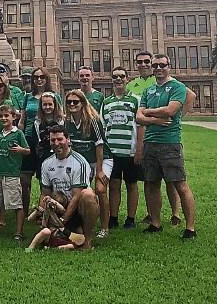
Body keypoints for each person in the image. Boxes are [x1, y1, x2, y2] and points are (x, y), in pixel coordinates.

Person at [136, 53, 197, 239]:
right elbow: (138, 118)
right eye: (155, 66)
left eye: (162, 65)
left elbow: (170, 110)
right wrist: (155, 119)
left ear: (169, 66)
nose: (158, 69)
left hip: (170, 143)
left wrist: (148, 113)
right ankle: (155, 223)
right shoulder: (148, 90)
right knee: (151, 184)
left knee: (180, 184)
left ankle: (190, 228)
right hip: (150, 143)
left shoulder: (177, 87)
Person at [126, 50, 182, 226]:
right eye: (139, 62)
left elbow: (189, 97)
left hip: (167, 136)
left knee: (171, 180)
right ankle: (152, 215)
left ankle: (176, 213)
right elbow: (137, 115)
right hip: (145, 134)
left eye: (147, 62)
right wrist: (156, 120)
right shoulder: (132, 85)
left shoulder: (164, 80)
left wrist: (177, 118)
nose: (143, 65)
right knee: (150, 180)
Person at [39, 126, 99, 251]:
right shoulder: (46, 163)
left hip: (77, 208)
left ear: (68, 140)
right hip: (58, 205)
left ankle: (87, 240)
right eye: (52, 140)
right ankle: (62, 237)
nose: (56, 143)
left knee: (88, 195)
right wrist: (43, 216)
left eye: (60, 139)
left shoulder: (80, 162)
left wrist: (62, 221)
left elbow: (77, 196)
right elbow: (44, 193)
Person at [64, 88, 112, 239]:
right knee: (81, 192)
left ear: (83, 103)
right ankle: (80, 224)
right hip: (82, 162)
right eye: (69, 102)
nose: (72, 104)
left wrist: (99, 171)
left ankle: (104, 227)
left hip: (101, 159)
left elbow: (99, 146)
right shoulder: (67, 121)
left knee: (100, 189)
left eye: (75, 101)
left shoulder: (93, 119)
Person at [102, 66, 143, 230]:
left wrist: (139, 148)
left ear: (127, 79)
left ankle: (131, 218)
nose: (118, 79)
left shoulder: (136, 100)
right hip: (112, 152)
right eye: (115, 77)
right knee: (114, 185)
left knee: (132, 184)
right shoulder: (107, 102)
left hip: (130, 151)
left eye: (121, 76)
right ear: (111, 80)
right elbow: (104, 125)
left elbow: (140, 125)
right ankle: (113, 217)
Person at [0, 104, 31, 240]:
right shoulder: (0, 135)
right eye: (1, 116)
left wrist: (20, 150)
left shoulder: (18, 133)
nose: (3, 118)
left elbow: (27, 150)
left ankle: (19, 231)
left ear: (13, 117)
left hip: (12, 174)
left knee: (16, 204)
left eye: (6, 116)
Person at [17, 67, 56, 213]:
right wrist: (18, 136)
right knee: (24, 179)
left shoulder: (53, 96)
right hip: (28, 138)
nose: (39, 80)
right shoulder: (27, 96)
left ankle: (44, 212)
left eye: (42, 77)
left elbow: (59, 117)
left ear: (46, 79)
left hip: (45, 141)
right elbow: (22, 119)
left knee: (44, 179)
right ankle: (24, 211)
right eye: (36, 77)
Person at [32, 91, 65, 172]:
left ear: (55, 105)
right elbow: (36, 142)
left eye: (50, 104)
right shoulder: (37, 123)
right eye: (45, 104)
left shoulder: (61, 121)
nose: (47, 107)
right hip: (43, 157)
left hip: (58, 156)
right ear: (41, 106)